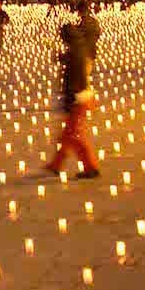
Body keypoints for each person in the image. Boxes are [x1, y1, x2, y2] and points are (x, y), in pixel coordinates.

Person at [45, 23, 99, 179]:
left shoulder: (76, 53)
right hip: (80, 97)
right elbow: (70, 59)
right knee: (68, 135)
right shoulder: (78, 48)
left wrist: (70, 100)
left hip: (78, 99)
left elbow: (75, 78)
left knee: (73, 135)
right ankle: (55, 165)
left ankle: (91, 167)